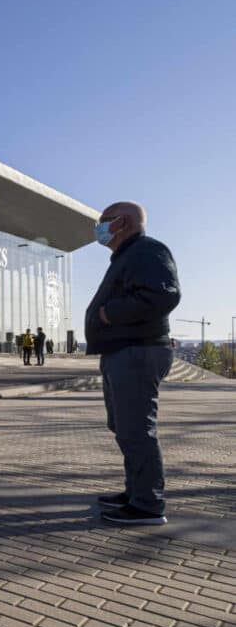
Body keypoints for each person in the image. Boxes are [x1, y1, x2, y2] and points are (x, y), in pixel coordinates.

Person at [86, 201, 180, 526]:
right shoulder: (128, 255)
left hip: (137, 352)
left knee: (137, 429)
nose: (98, 228)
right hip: (121, 351)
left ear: (122, 222)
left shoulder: (148, 250)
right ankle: (136, 492)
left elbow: (164, 294)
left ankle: (148, 505)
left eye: (103, 221)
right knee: (125, 428)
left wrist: (108, 313)